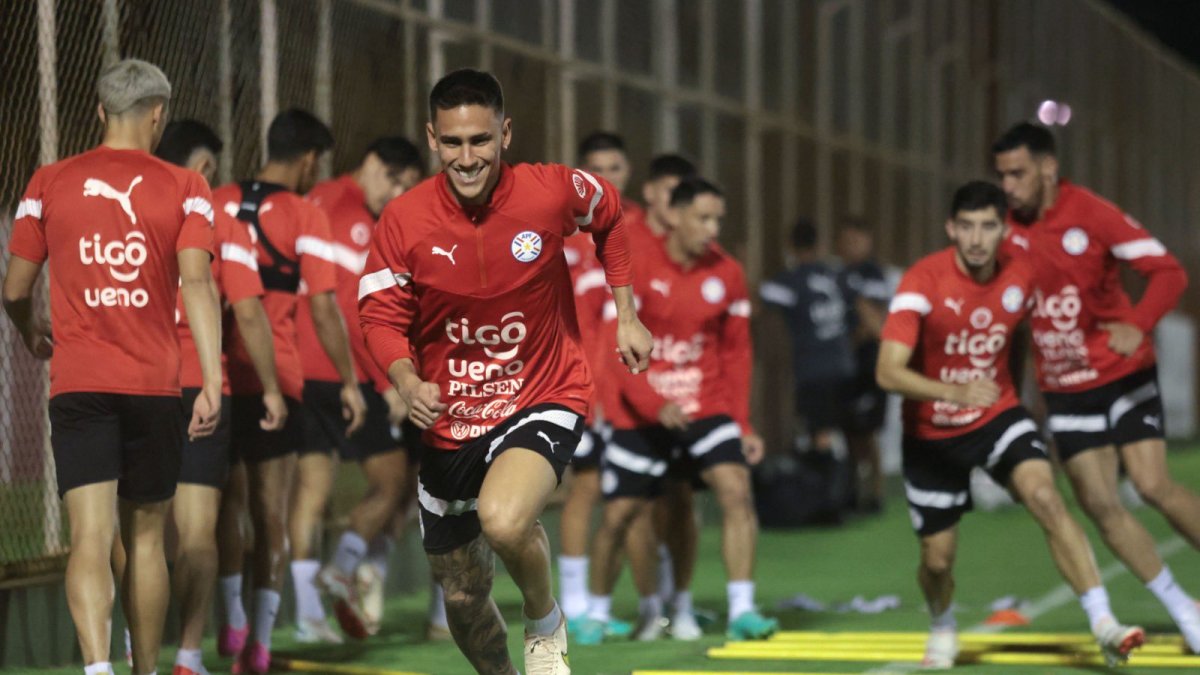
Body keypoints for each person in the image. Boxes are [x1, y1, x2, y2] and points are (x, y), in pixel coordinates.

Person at [358, 68, 652, 675]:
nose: (468, 158)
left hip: (544, 390)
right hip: (452, 417)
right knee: (463, 595)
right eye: (453, 142)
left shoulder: (550, 191)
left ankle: (544, 622)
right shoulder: (403, 220)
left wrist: (627, 314)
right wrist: (406, 381)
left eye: (481, 140)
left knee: (504, 518)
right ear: (433, 139)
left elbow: (610, 215)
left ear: (505, 134)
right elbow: (380, 315)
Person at [2, 59, 222, 675]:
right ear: (159, 114)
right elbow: (197, 284)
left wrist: (29, 329)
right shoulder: (187, 186)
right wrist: (209, 380)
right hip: (155, 386)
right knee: (147, 539)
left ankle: (98, 668)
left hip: (79, 385)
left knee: (91, 538)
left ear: (99, 111)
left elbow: (15, 288)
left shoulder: (48, 182)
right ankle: (145, 669)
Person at [876, 180, 1144, 668]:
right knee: (937, 559)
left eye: (988, 227)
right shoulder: (922, 281)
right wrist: (955, 392)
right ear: (950, 228)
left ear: (1004, 230)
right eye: (967, 227)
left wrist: (1015, 397)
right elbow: (887, 372)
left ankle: (1104, 624)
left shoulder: (1023, 275)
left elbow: (1020, 331)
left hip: (997, 416)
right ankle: (942, 624)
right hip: (931, 435)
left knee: (1045, 497)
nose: (977, 239)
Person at [993, 122, 1200, 651]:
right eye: (1002, 176)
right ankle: (1187, 610)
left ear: (1048, 168)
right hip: (1065, 389)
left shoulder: (1092, 213)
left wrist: (1140, 323)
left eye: (1018, 173)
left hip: (1123, 374)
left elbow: (1169, 272)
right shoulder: (1002, 231)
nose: (1009, 186)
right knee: (1101, 506)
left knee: (1152, 485)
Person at [584, 178, 777, 643]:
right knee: (619, 515)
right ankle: (594, 613)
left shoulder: (727, 274)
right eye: (703, 218)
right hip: (642, 409)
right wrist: (653, 403)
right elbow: (616, 348)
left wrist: (742, 422)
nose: (713, 229)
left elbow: (737, 355)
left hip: (704, 407)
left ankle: (742, 610)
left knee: (735, 489)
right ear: (674, 216)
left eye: (718, 220)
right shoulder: (636, 267)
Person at [213, 108, 367, 674]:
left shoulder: (217, 199)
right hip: (275, 377)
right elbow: (323, 308)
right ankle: (258, 644)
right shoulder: (306, 213)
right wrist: (348, 380)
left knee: (225, 504)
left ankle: (230, 616)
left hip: (216, 374)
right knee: (270, 512)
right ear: (308, 159)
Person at [155, 120, 286, 675]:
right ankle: (189, 655)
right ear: (204, 168)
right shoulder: (218, 222)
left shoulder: (125, 213)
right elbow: (249, 313)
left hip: (132, 381)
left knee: (136, 529)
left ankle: (133, 653)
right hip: (199, 383)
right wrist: (272, 388)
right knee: (198, 527)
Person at [285, 137, 423, 641]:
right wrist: (388, 381)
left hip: (297, 366)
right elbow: (350, 309)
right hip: (338, 370)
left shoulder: (319, 198)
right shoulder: (351, 216)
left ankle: (308, 617)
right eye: (395, 181)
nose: (397, 195)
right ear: (371, 164)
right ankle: (343, 568)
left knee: (310, 493)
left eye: (408, 187)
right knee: (392, 482)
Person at [556, 131, 644, 638]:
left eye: (615, 167)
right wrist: (590, 391)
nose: (607, 178)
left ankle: (652, 604)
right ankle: (574, 604)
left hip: (636, 387)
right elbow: (575, 324)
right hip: (587, 388)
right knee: (586, 489)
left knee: (638, 499)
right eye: (597, 170)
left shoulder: (640, 229)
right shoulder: (568, 236)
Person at [761, 219, 855, 456]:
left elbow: (761, 300)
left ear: (791, 247)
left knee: (819, 432)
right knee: (842, 430)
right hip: (844, 366)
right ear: (819, 245)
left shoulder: (791, 280)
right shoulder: (837, 276)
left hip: (813, 370)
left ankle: (828, 475)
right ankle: (848, 474)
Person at [836, 218, 891, 512]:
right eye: (847, 240)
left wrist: (851, 340)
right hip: (845, 368)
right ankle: (852, 491)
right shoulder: (837, 274)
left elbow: (876, 325)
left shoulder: (873, 275)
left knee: (868, 432)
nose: (851, 246)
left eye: (857, 240)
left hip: (870, 364)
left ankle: (876, 493)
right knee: (848, 430)